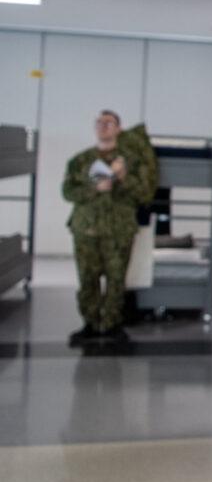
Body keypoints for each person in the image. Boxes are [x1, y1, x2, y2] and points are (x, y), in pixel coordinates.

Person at [62, 110, 150, 345]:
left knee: (116, 279)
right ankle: (90, 323)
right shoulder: (80, 160)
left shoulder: (132, 161)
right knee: (87, 278)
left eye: (109, 123)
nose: (103, 126)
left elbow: (144, 193)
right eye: (99, 123)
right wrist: (94, 189)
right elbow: (67, 192)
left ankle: (111, 324)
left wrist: (122, 178)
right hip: (86, 228)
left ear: (118, 129)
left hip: (119, 229)